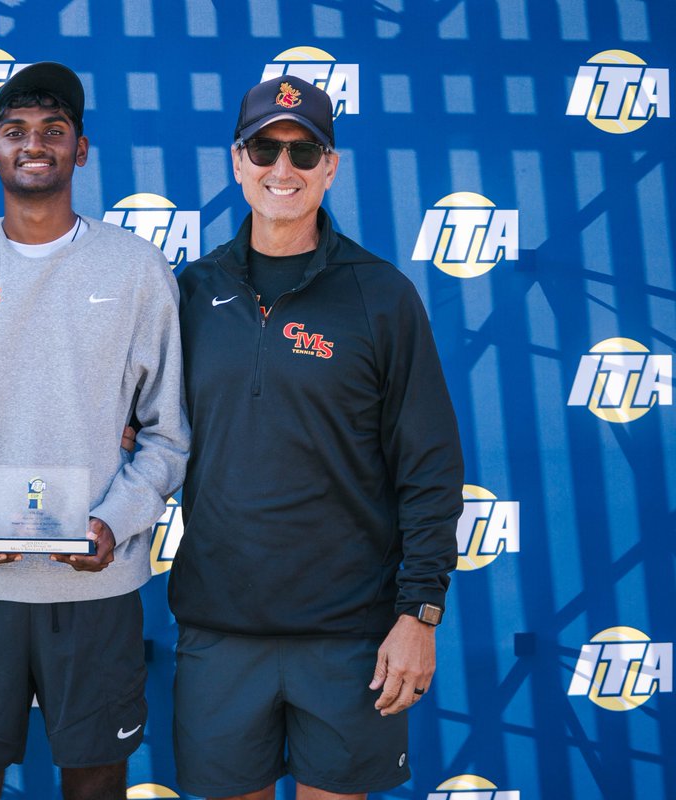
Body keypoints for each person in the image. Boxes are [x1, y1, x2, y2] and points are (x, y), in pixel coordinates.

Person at [169, 75, 465, 800]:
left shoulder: (381, 295)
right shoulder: (188, 293)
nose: (284, 168)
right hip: (219, 629)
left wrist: (420, 613)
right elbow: (140, 430)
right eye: (264, 149)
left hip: (349, 635)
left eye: (305, 152)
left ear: (331, 166)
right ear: (237, 161)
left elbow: (429, 466)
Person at [0, 62, 189, 800]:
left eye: (54, 130)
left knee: (96, 787)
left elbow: (167, 434)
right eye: (16, 131)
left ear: (81, 150)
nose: (35, 144)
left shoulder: (136, 269)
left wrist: (116, 521)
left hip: (97, 589)